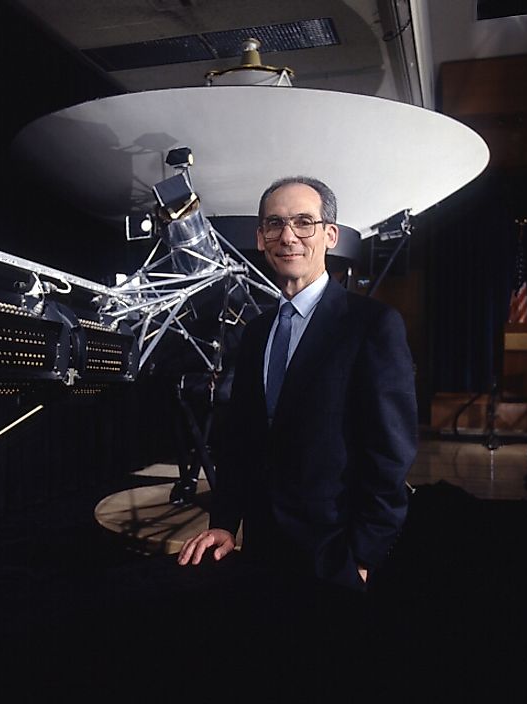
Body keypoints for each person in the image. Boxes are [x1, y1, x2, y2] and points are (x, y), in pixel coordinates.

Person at [177, 176, 417, 595]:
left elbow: (390, 454)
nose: (288, 236)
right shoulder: (255, 333)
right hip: (260, 551)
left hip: (335, 556)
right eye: (274, 224)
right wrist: (224, 525)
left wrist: (363, 555)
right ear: (261, 237)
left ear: (330, 235)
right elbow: (241, 442)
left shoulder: (372, 325)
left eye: (304, 222)